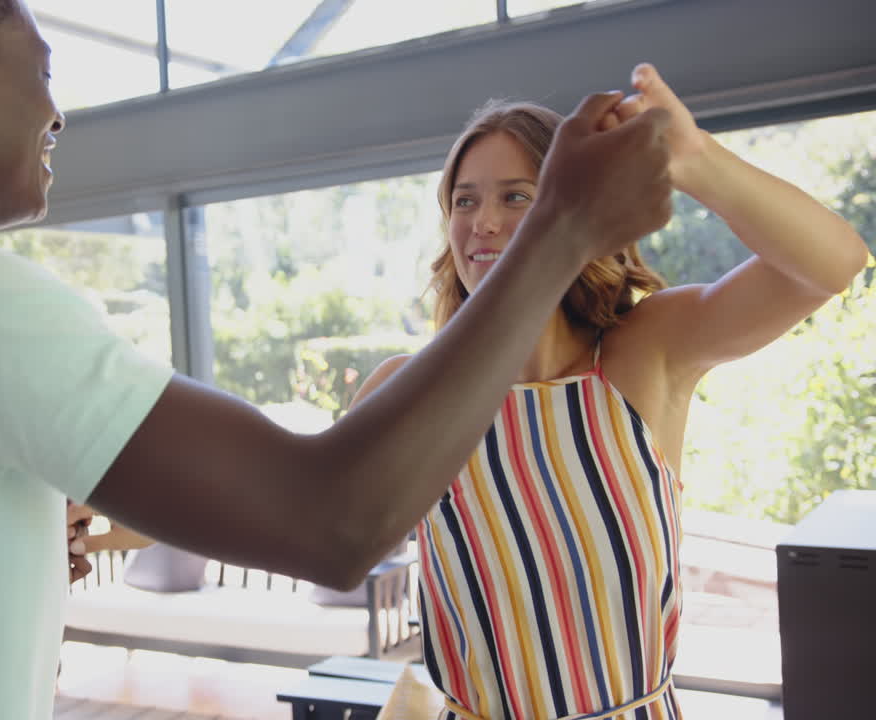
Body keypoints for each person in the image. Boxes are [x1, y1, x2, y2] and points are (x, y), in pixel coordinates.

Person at [0, 1, 677, 718]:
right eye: (38, 70)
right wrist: (558, 224)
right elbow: (331, 520)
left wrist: (3, 535)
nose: (56, 111)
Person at [348, 65, 870, 719]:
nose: (482, 221)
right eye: (464, 199)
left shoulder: (645, 353)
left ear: (570, 208)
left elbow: (834, 262)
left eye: (515, 197)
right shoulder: (404, 390)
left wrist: (693, 157)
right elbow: (327, 537)